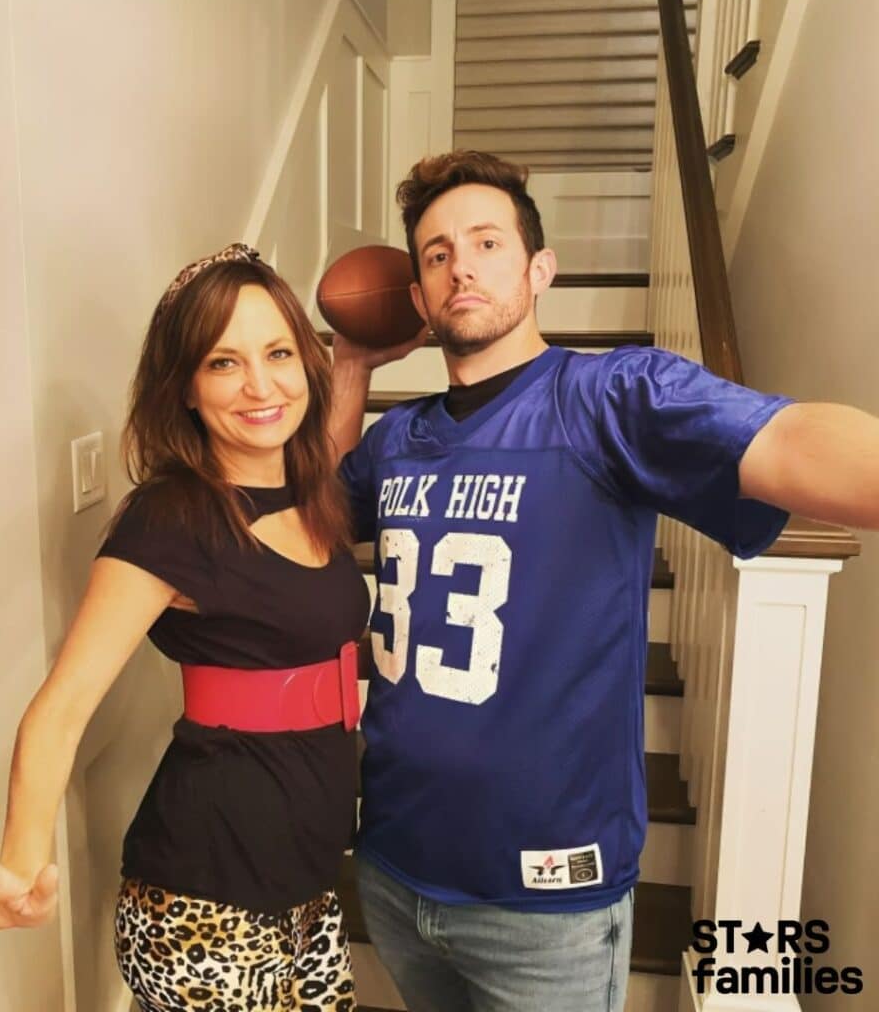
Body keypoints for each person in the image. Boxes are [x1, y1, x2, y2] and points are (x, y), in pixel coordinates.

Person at [328, 150, 879, 1012]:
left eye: (486, 242)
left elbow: (793, 442)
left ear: (539, 268)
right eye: (436, 254)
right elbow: (310, 528)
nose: (461, 265)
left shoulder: (612, 395)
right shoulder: (396, 438)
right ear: (420, 295)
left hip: (546, 903)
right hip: (396, 868)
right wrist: (352, 368)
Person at [0, 244, 369, 1012]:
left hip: (308, 891)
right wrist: (19, 865)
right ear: (184, 389)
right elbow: (62, 706)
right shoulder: (171, 519)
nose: (260, 385)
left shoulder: (313, 495)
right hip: (207, 906)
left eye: (278, 353)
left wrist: (360, 360)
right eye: (223, 363)